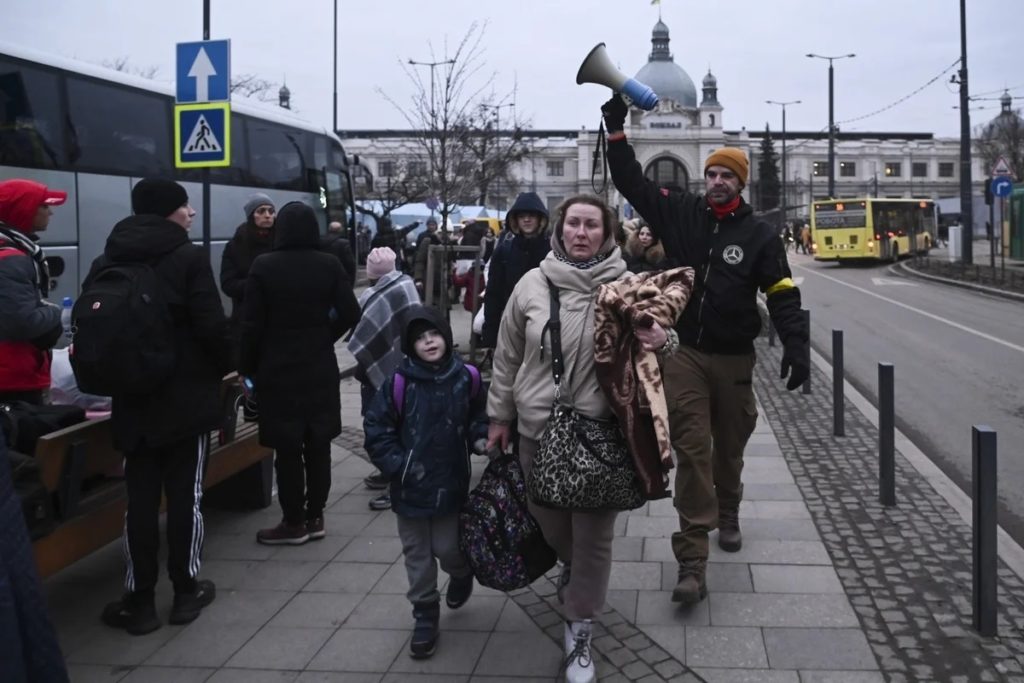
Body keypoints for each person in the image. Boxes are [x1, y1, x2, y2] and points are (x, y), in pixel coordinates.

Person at [602, 95, 809, 605]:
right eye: (713, 174)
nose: (718, 181)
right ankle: (692, 560)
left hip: (736, 356)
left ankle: (730, 508)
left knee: (730, 445)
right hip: (685, 351)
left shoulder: (759, 235)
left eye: (728, 176)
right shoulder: (682, 214)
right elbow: (632, 183)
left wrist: (796, 342)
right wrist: (616, 134)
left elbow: (781, 289)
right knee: (693, 450)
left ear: (740, 183)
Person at [486, 194, 672, 683]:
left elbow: (661, 342)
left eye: (592, 224)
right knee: (552, 528)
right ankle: (573, 574)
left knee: (593, 538)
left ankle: (580, 624)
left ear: (608, 234)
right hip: (536, 430)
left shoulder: (629, 286)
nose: (582, 232)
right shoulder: (532, 284)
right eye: (574, 223)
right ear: (560, 229)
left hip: (598, 434)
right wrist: (498, 416)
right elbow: (506, 357)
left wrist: (662, 340)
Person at [90, 178, 231, 634]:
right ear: (169, 211)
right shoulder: (188, 258)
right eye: (185, 206)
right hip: (185, 400)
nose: (191, 213)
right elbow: (212, 329)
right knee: (186, 496)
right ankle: (186, 592)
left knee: (141, 501)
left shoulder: (107, 257)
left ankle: (140, 601)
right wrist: (227, 369)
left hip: (132, 400)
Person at [363, 305, 488, 660]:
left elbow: (480, 413)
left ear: (446, 337)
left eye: (433, 334)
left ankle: (461, 574)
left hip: (450, 486)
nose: (428, 341)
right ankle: (424, 613)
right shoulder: (399, 384)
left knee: (449, 548)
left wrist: (480, 438)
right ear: (410, 346)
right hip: (410, 488)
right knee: (417, 556)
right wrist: (399, 466)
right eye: (419, 338)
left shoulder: (467, 377)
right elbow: (377, 430)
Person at [239, 201, 360, 545]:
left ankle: (293, 522)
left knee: (287, 447)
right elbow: (351, 312)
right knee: (318, 444)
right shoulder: (329, 264)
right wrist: (324, 334)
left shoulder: (264, 266)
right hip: (319, 365)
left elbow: (251, 324)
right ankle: (316, 516)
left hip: (278, 370)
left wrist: (247, 367)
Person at [347, 246, 422, 512]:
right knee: (381, 422)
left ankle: (397, 481)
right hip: (392, 372)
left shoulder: (382, 293)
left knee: (386, 426)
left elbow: (365, 331)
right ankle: (387, 470)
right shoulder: (405, 285)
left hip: (394, 374)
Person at [0, 179, 66, 405]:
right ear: (25, 210)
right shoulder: (12, 259)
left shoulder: (15, 250)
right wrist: (57, 312)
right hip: (11, 377)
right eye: (44, 206)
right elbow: (22, 322)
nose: (51, 213)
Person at [220, 193, 276, 421]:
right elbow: (228, 283)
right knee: (249, 374)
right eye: (261, 211)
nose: (267, 216)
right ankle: (250, 409)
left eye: (271, 211)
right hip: (246, 320)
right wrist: (255, 285)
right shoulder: (236, 245)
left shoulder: (281, 240)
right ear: (251, 215)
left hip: (275, 321)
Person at [480, 192, 550, 348]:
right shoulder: (504, 251)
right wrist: (491, 331)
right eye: (521, 216)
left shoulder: (552, 251)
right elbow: (493, 293)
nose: (526, 219)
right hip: (511, 322)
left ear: (540, 219)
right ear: (515, 220)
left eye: (531, 215)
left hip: (546, 324)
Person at [321, 220, 357, 288]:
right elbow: (350, 265)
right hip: (340, 279)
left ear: (329, 229)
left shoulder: (321, 242)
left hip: (325, 279)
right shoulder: (344, 243)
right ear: (340, 230)